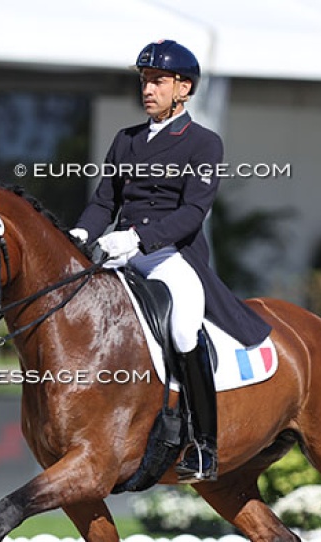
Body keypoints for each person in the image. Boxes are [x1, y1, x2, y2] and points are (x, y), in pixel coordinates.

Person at [69, 39, 271, 482]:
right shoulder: (126, 140)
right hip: (121, 251)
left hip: (170, 255)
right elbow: (106, 200)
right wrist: (83, 231)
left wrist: (139, 239)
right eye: (144, 80)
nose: (148, 88)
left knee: (183, 326)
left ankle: (203, 443)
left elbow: (192, 213)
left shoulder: (203, 144)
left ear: (183, 88)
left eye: (157, 81)